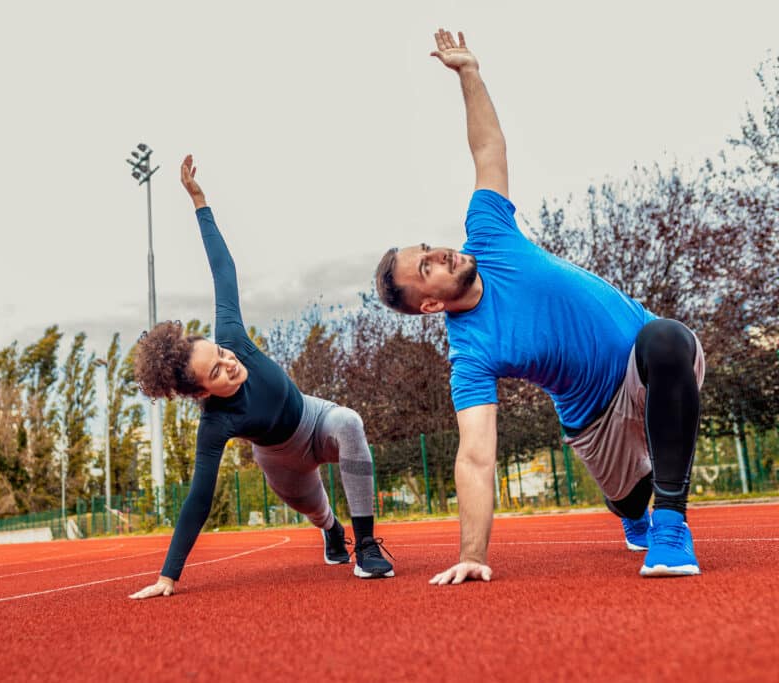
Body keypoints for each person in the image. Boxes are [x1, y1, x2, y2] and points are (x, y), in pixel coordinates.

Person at [373, 28, 706, 583]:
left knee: (667, 337)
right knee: (629, 504)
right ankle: (634, 511)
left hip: (647, 363)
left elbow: (488, 149)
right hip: (593, 421)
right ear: (430, 305)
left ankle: (671, 527)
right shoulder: (471, 354)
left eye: (428, 248)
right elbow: (476, 455)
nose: (440, 254)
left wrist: (469, 74)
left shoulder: (487, 231)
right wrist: (473, 554)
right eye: (426, 266)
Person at [129, 155, 394, 599]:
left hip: (313, 415)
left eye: (221, 354)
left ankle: (366, 546)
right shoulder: (215, 424)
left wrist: (200, 202)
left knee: (349, 422)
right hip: (280, 459)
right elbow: (199, 498)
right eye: (216, 371)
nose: (229, 363)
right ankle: (331, 531)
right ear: (200, 391)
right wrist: (167, 576)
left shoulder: (233, 335)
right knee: (316, 511)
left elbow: (223, 270)